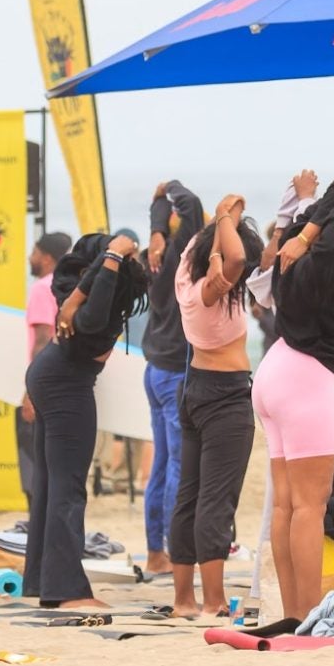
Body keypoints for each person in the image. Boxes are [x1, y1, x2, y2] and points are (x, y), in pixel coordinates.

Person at [258, 176, 334, 623]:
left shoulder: (294, 248)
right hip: (305, 380)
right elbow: (330, 250)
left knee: (286, 504)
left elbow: (315, 223)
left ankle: (292, 612)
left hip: (274, 370)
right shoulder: (324, 266)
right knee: (310, 506)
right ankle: (308, 613)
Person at [24, 227, 145, 612]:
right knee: (68, 486)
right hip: (66, 382)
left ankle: (41, 579)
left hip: (54, 376)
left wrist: (109, 260)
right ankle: (66, 589)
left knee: (51, 483)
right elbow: (92, 322)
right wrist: (112, 260)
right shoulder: (94, 292)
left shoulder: (78, 288)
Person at [170, 193, 262, 618]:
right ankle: (213, 601)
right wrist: (226, 214)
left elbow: (213, 241)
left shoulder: (187, 276)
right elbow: (239, 258)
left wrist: (228, 216)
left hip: (196, 389)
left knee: (189, 496)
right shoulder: (210, 290)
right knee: (215, 501)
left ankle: (184, 600)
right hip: (225, 396)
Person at [138, 183, 205, 575]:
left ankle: (155, 551)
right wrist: (173, 188)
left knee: (163, 463)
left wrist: (157, 222)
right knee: (178, 465)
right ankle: (175, 551)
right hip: (175, 372)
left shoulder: (156, 257)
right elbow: (192, 206)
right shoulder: (180, 260)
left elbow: (181, 214)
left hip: (155, 368)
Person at [16, 231, 69, 517]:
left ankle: (38, 528)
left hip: (44, 386)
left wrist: (30, 391)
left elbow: (42, 339)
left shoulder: (41, 288)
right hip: (66, 386)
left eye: (34, 252)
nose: (30, 257)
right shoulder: (73, 285)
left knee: (34, 467)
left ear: (47, 258)